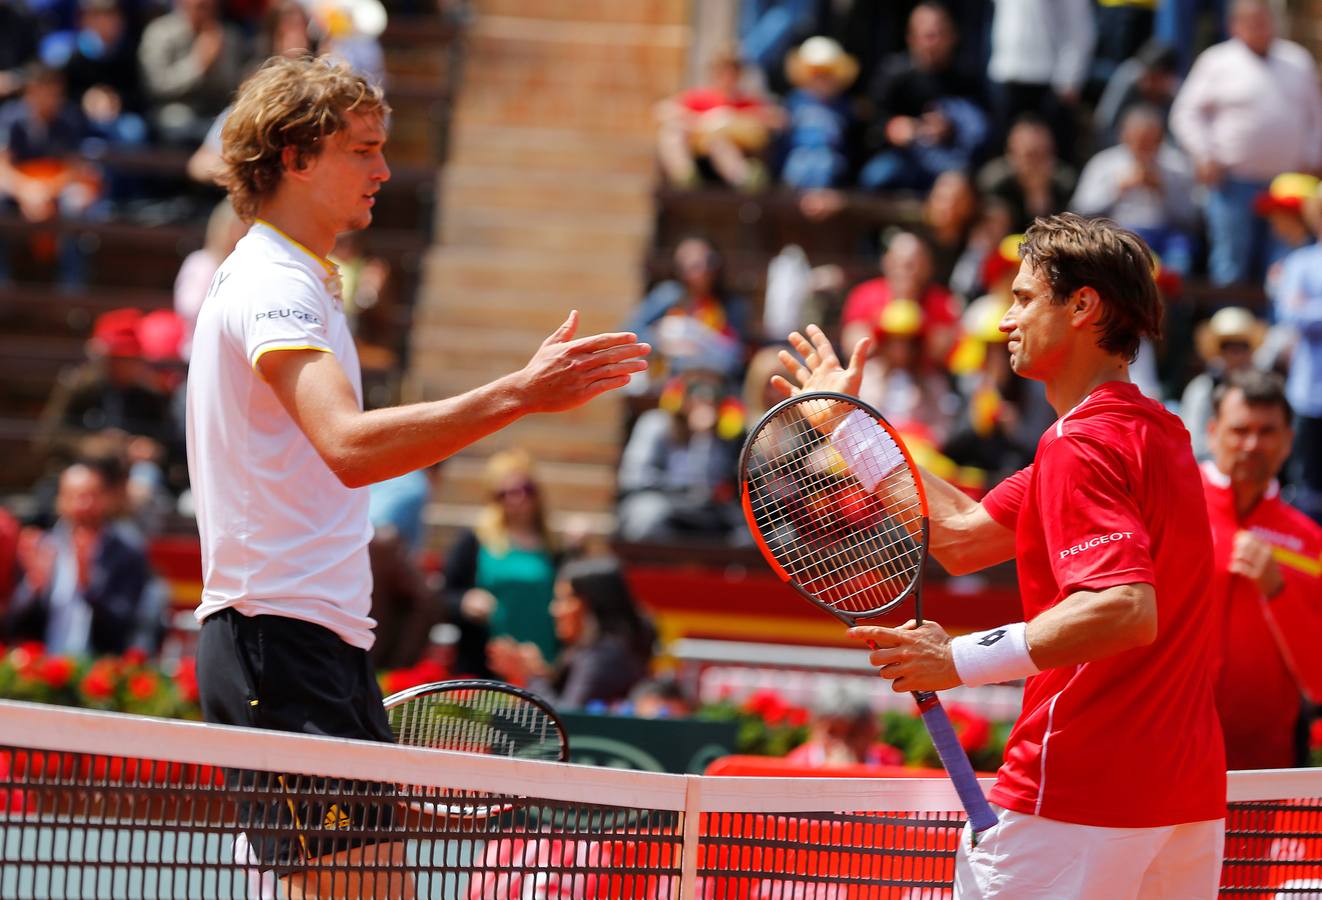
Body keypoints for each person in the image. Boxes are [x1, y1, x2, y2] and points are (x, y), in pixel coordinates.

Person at [186, 55, 648, 899]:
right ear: (295, 157)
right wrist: (518, 392)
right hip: (276, 641)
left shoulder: (303, 280)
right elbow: (349, 444)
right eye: (362, 150)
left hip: (319, 643)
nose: (384, 170)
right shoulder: (273, 284)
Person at [774, 213, 1225, 898]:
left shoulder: (1080, 444)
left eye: (1022, 298)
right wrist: (846, 422)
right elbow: (961, 535)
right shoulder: (1157, 434)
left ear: (1082, 305)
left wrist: (956, 661)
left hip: (1076, 795)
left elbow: (1125, 610)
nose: (1004, 322)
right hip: (1183, 801)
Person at [1201, 370, 1322, 770]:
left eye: (1267, 431)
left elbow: (1318, 683)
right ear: (1213, 432)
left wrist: (1277, 590)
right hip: (1167, 759)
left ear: (1289, 440)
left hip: (1266, 772)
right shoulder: (1170, 507)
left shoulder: (1308, 541)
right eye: (1240, 430)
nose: (1252, 444)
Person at [1169, 0, 1322, 286]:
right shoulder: (1216, 61)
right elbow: (1184, 113)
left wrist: (1313, 157)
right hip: (1232, 183)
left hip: (1289, 185)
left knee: (1286, 261)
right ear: (1234, 26)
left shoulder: (1297, 60)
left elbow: (1316, 116)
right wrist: (1204, 155)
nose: (1259, 27)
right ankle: (1230, 329)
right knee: (1231, 261)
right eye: (1251, 22)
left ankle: (1281, 326)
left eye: (1264, 20)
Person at [6, 459, 158, 656]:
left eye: (90, 496)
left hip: (101, 670)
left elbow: (130, 623)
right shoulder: (44, 547)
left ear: (106, 499)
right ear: (60, 500)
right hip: (47, 668)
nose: (82, 505)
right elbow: (14, 624)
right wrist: (34, 586)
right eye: (74, 496)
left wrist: (88, 585)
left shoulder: (127, 550)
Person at [442, 449, 561, 679]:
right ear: (494, 497)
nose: (518, 499)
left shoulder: (553, 545)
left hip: (541, 660)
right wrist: (465, 602)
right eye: (507, 493)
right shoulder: (474, 540)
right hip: (486, 662)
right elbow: (444, 596)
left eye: (526, 490)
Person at [487, 555, 656, 710]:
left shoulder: (604, 658)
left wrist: (530, 676)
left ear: (591, 605)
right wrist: (537, 673)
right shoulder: (590, 653)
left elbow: (567, 720)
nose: (554, 610)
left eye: (564, 599)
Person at [858, 2, 988, 193]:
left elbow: (981, 132)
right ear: (911, 38)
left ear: (953, 37)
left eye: (939, 34)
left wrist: (950, 129)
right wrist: (892, 128)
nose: (933, 42)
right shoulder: (893, 74)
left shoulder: (967, 80)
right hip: (901, 158)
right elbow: (870, 122)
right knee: (877, 176)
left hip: (949, 161)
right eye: (927, 35)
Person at [1069, 104, 1197, 274]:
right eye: (1139, 140)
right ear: (1125, 136)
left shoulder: (1177, 165)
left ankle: (1171, 300)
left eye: (1151, 141)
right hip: (1120, 233)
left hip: (1168, 235)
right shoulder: (1104, 163)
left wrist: (1163, 191)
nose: (1145, 148)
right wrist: (1116, 190)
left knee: (1181, 254)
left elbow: (1192, 218)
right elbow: (1080, 209)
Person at [1180, 306, 1265, 460]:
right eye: (1228, 345)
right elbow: (1193, 441)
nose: (1236, 353)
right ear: (1219, 350)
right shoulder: (1202, 389)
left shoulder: (1264, 388)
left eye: (1242, 345)